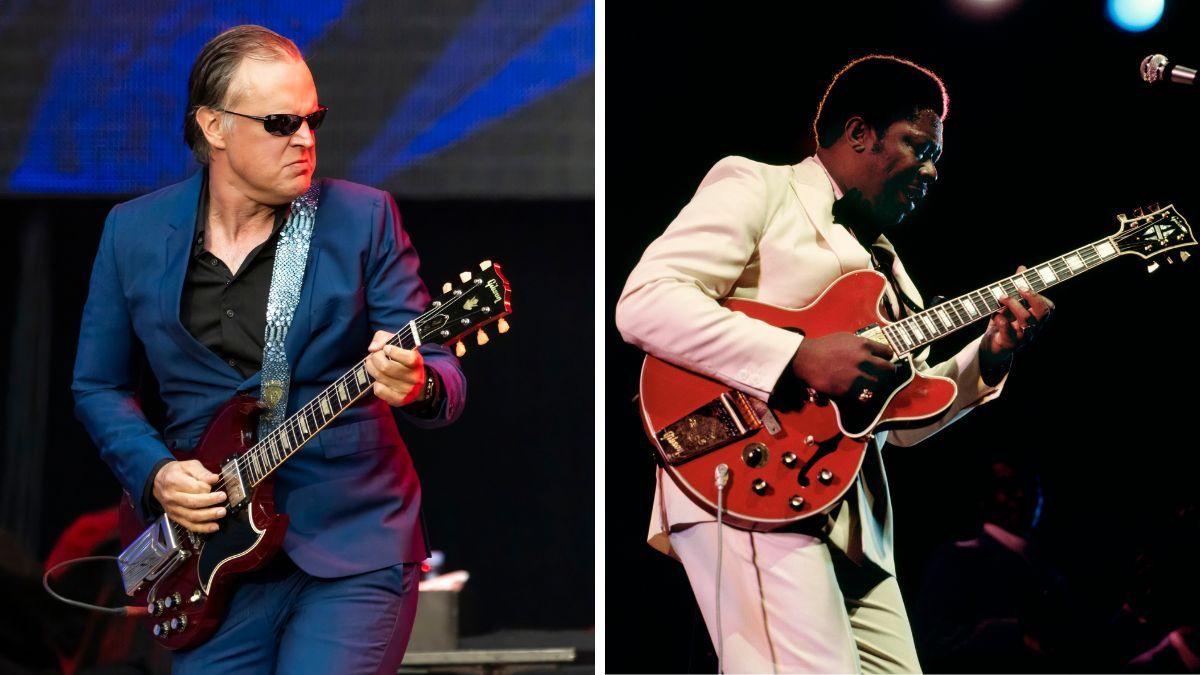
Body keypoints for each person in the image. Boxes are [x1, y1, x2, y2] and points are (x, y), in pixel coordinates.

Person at [615, 55, 1053, 672]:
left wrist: (989, 353)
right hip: (749, 477)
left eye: (936, 157)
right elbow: (645, 302)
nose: (930, 169)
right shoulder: (758, 186)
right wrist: (798, 355)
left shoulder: (893, 276)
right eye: (917, 146)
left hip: (852, 524)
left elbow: (904, 424)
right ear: (857, 133)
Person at [71, 25, 465, 674]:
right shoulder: (132, 233)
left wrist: (419, 380)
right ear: (215, 126)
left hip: (350, 544)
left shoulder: (363, 219)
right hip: (210, 557)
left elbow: (444, 372)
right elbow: (98, 386)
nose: (305, 139)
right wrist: (155, 473)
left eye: (313, 118)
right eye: (281, 122)